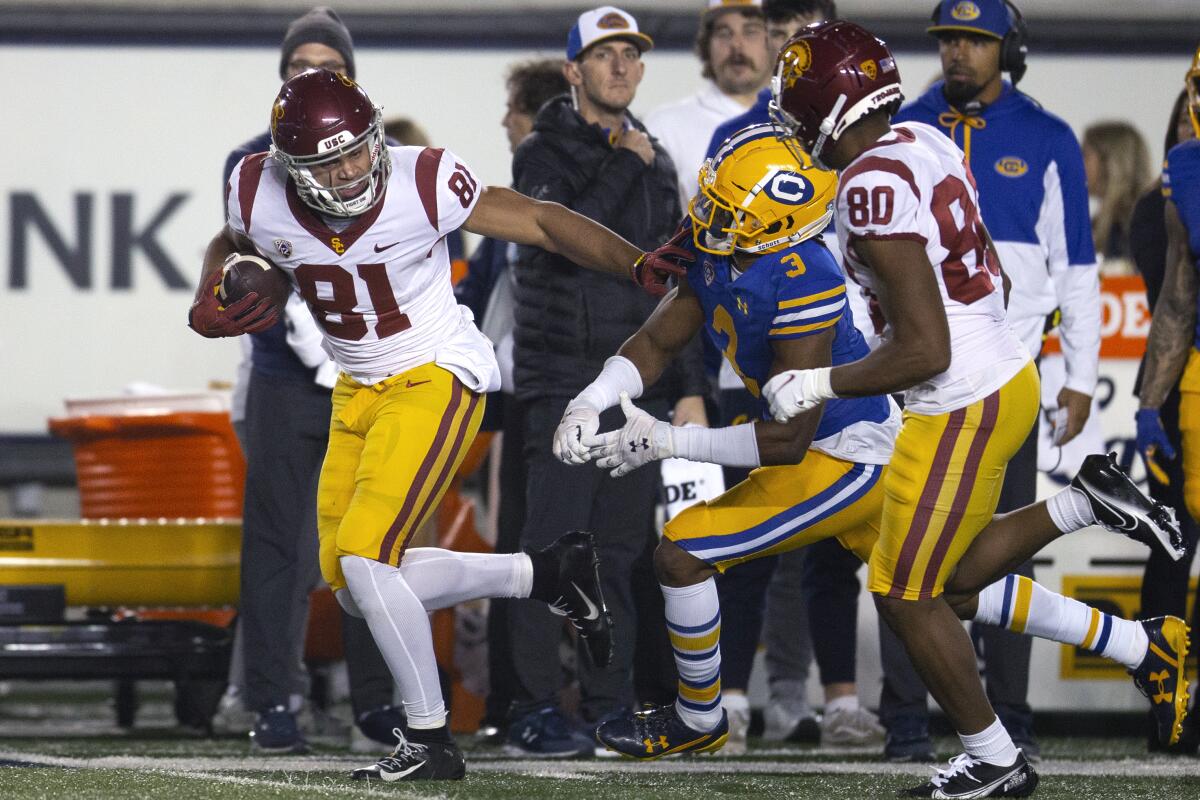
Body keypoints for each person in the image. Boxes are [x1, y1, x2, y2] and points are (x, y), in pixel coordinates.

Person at [187, 66, 687, 781]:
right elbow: (234, 239)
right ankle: (545, 572)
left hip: (436, 375)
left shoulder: (423, 181)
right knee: (357, 590)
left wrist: (635, 263)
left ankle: (429, 740)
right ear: (295, 168)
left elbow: (540, 219)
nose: (356, 167)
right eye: (333, 160)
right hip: (355, 387)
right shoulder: (255, 185)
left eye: (362, 147)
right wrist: (212, 286)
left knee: (366, 554)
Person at [768, 20, 1188, 795]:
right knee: (954, 583)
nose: (793, 123)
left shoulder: (869, 184)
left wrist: (818, 384)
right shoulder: (925, 140)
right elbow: (986, 282)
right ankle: (1083, 506)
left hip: (958, 399)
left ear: (833, 105)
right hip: (1001, 376)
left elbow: (924, 348)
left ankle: (994, 759)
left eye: (799, 106)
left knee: (903, 593)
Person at [889, 0, 1102, 761]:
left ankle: (1009, 711)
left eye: (976, 40)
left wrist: (1081, 375)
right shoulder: (904, 127)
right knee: (904, 545)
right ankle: (905, 718)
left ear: (1007, 48)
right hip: (914, 376)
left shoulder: (1047, 137)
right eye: (949, 38)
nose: (958, 53)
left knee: (1003, 546)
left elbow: (1076, 266)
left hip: (1010, 371)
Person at [505, 6, 708, 757]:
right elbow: (571, 234)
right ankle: (529, 705)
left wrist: (686, 380)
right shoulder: (543, 149)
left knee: (622, 558)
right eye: (604, 54)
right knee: (546, 552)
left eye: (630, 54)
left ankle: (607, 705)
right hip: (562, 380)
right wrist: (627, 157)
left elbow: (675, 282)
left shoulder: (653, 158)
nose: (620, 66)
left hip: (635, 388)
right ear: (573, 71)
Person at [700, 0, 886, 750]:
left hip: (845, 353)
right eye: (785, 38)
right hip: (757, 356)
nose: (791, 51)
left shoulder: (865, 142)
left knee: (836, 550)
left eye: (807, 38)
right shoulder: (740, 141)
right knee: (747, 537)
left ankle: (837, 696)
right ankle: (733, 696)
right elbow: (701, 264)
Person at [216, 5, 400, 755]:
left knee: (372, 544)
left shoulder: (381, 159)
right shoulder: (252, 165)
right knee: (278, 548)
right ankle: (272, 698)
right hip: (288, 379)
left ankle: (377, 705)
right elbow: (257, 263)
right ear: (280, 79)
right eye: (298, 68)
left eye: (327, 67)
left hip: (370, 375)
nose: (311, 78)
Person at [451, 57, 570, 745]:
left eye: (514, 110)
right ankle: (513, 701)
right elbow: (487, 297)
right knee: (513, 548)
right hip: (512, 400)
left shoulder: (551, 197)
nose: (504, 121)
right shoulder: (513, 193)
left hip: (557, 392)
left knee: (551, 549)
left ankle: (559, 699)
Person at [1131, 85, 1200, 755]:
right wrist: (1150, 404)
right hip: (1193, 376)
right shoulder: (1182, 179)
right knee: (1176, 535)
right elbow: (1177, 301)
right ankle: (1171, 701)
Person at [646, 0, 774, 211]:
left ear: (774, 39)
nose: (737, 45)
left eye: (750, 31)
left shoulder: (800, 122)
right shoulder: (665, 126)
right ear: (707, 44)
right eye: (724, 33)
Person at [1083, 121, 1152, 267]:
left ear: (1109, 162)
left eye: (1085, 155)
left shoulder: (1138, 225)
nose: (1077, 164)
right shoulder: (1094, 226)